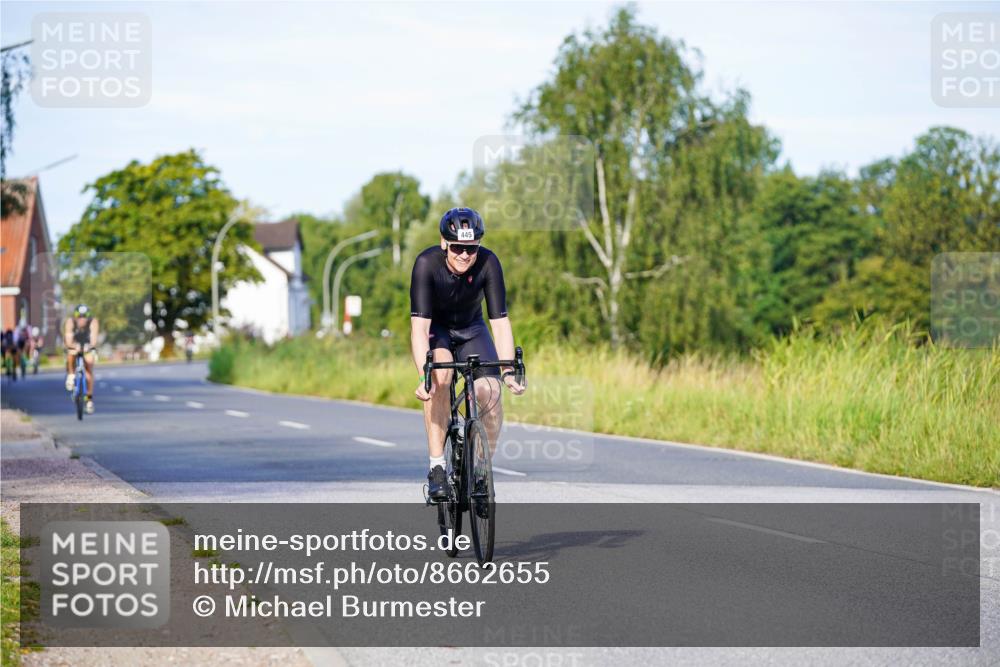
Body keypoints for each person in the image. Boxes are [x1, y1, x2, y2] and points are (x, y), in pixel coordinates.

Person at [409, 207, 525, 501]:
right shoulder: (426, 264)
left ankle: (482, 470)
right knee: (441, 374)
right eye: (458, 247)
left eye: (470, 249)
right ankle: (437, 467)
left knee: (491, 390)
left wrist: (508, 370)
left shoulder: (489, 263)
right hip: (438, 329)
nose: (464, 255)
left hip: (472, 329)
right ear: (444, 243)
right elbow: (419, 329)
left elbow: (499, 323)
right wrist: (425, 374)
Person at [63, 304, 99, 414]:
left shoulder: (93, 322)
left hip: (87, 345)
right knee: (70, 354)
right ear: (75, 316)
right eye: (79, 316)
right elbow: (68, 340)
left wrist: (89, 347)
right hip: (75, 345)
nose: (82, 319)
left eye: (85, 316)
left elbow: (94, 339)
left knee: (89, 366)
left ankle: (89, 399)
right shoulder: (70, 322)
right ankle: (71, 375)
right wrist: (74, 346)